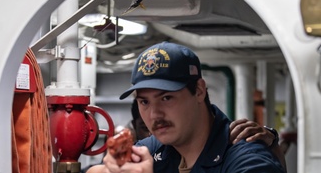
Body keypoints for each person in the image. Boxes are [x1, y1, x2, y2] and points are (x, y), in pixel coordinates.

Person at [86, 41, 286, 173]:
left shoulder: (247, 161)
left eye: (166, 98)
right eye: (144, 102)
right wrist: (112, 164)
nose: (155, 114)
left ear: (199, 90)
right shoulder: (160, 148)